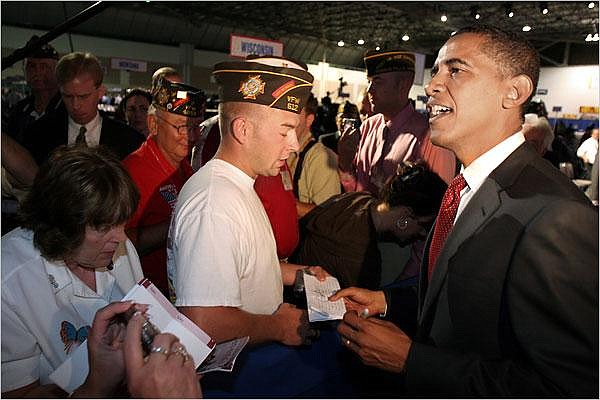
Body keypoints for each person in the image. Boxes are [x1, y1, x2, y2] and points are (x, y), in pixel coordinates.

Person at [334, 25, 598, 397]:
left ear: (515, 92)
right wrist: (389, 301)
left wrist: (413, 361)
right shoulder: (467, 185)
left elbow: (569, 386)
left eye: (456, 70)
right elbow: (467, 294)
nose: (432, 85)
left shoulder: (557, 216)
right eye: (437, 71)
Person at [168, 57, 351, 397]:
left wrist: (296, 274)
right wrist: (276, 326)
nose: (294, 145)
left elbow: (241, 264)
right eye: (285, 131)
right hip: (236, 379)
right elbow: (203, 320)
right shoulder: (215, 202)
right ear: (243, 130)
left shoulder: (236, 185)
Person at [1, 146, 143, 397]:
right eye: (102, 227)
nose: (121, 237)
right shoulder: (9, 280)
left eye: (122, 223)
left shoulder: (118, 246)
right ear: (61, 224)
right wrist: (96, 385)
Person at [292, 161, 446, 290]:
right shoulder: (363, 259)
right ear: (405, 217)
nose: (421, 235)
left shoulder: (359, 198)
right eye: (423, 227)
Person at [123, 78, 205, 297]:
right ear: (153, 125)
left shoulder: (184, 167)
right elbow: (120, 242)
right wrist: (181, 222)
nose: (192, 136)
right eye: (182, 127)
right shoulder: (132, 172)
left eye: (197, 127)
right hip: (149, 299)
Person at [338, 49, 455, 194]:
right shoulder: (368, 126)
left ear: (403, 85)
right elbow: (354, 192)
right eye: (369, 81)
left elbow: (437, 204)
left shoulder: (432, 138)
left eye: (377, 81)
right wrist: (344, 162)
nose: (369, 89)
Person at [22, 52, 145, 165]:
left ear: (101, 92)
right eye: (68, 96)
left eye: (84, 96)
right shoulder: (38, 135)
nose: (75, 105)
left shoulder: (130, 140)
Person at [287, 92, 341, 218]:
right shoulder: (278, 149)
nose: (287, 119)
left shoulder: (320, 158)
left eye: (294, 114)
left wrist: (283, 203)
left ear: (309, 120)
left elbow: (329, 214)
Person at [5, 36, 62, 145]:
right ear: (24, 70)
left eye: (44, 66)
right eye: (31, 66)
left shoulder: (68, 107)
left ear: (57, 70)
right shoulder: (20, 110)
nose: (37, 72)